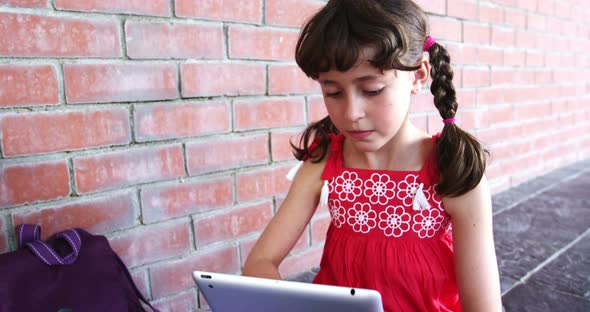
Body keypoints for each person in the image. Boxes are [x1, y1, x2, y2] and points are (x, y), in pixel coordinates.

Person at [242, 0, 503, 311]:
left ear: (418, 76)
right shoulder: (323, 160)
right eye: (333, 92)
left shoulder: (453, 172)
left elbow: (483, 307)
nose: (351, 114)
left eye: (373, 89)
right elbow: (260, 261)